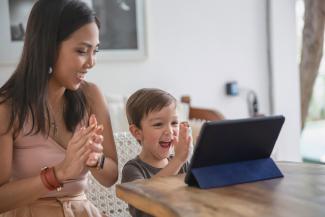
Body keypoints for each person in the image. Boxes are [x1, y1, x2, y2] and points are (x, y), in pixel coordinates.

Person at [0, 0, 118, 216]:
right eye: (82, 51)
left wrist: (95, 159)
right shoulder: (8, 106)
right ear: (48, 46)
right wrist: (59, 173)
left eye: (96, 51)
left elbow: (111, 177)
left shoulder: (92, 96)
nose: (91, 62)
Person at [122, 88, 193, 217]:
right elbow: (146, 198)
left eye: (174, 123)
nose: (170, 131)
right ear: (137, 132)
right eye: (158, 124)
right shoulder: (132, 170)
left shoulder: (183, 164)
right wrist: (178, 160)